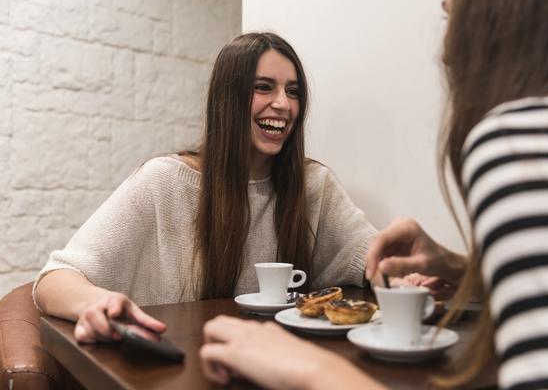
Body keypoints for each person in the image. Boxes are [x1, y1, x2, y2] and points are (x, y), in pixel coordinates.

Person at [199, 0, 548, 389]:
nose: (444, 50)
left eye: (450, 18)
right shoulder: (165, 181)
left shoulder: (532, 140)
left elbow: (365, 252)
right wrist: (464, 270)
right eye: (263, 87)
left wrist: (313, 370)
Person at [33, 32, 377, 343]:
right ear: (227, 99)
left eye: (293, 91)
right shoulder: (163, 181)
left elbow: (374, 257)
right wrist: (97, 303)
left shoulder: (314, 185)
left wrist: (405, 272)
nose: (283, 105)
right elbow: (55, 279)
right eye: (263, 87)